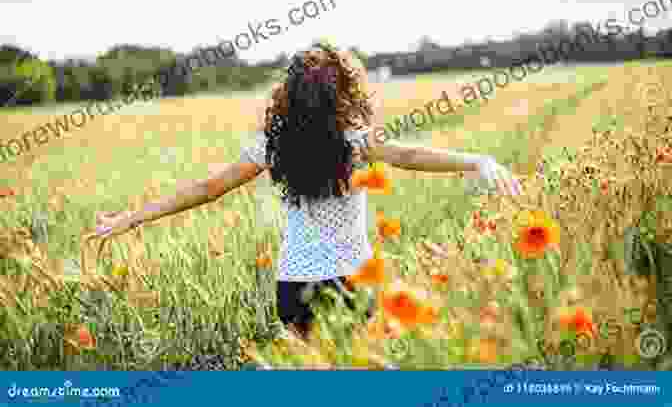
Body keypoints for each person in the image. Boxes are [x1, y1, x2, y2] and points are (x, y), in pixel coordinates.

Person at [86, 41, 520, 340]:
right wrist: (477, 161)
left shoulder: (272, 145)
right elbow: (410, 155)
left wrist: (131, 218)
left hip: (294, 288)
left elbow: (207, 188)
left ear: (289, 94)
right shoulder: (356, 140)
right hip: (352, 283)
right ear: (345, 91)